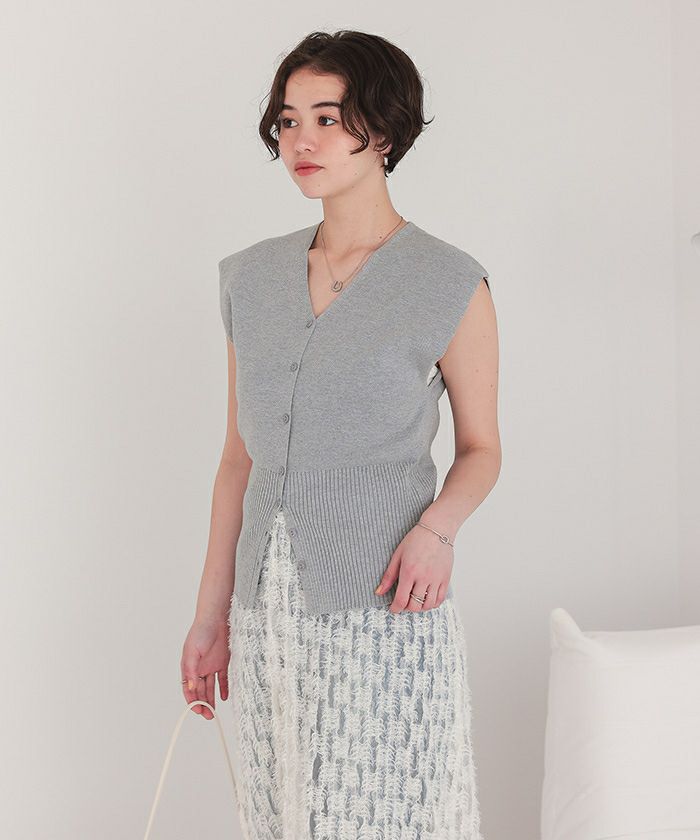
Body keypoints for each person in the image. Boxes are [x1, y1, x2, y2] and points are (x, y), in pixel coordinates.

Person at [181, 29, 500, 840]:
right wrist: (211, 617)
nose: (302, 141)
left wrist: (438, 530)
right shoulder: (248, 278)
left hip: (384, 606)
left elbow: (482, 450)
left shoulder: (448, 281)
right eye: (289, 121)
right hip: (268, 614)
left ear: (383, 130)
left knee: (386, 818)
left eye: (328, 118)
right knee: (283, 817)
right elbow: (237, 461)